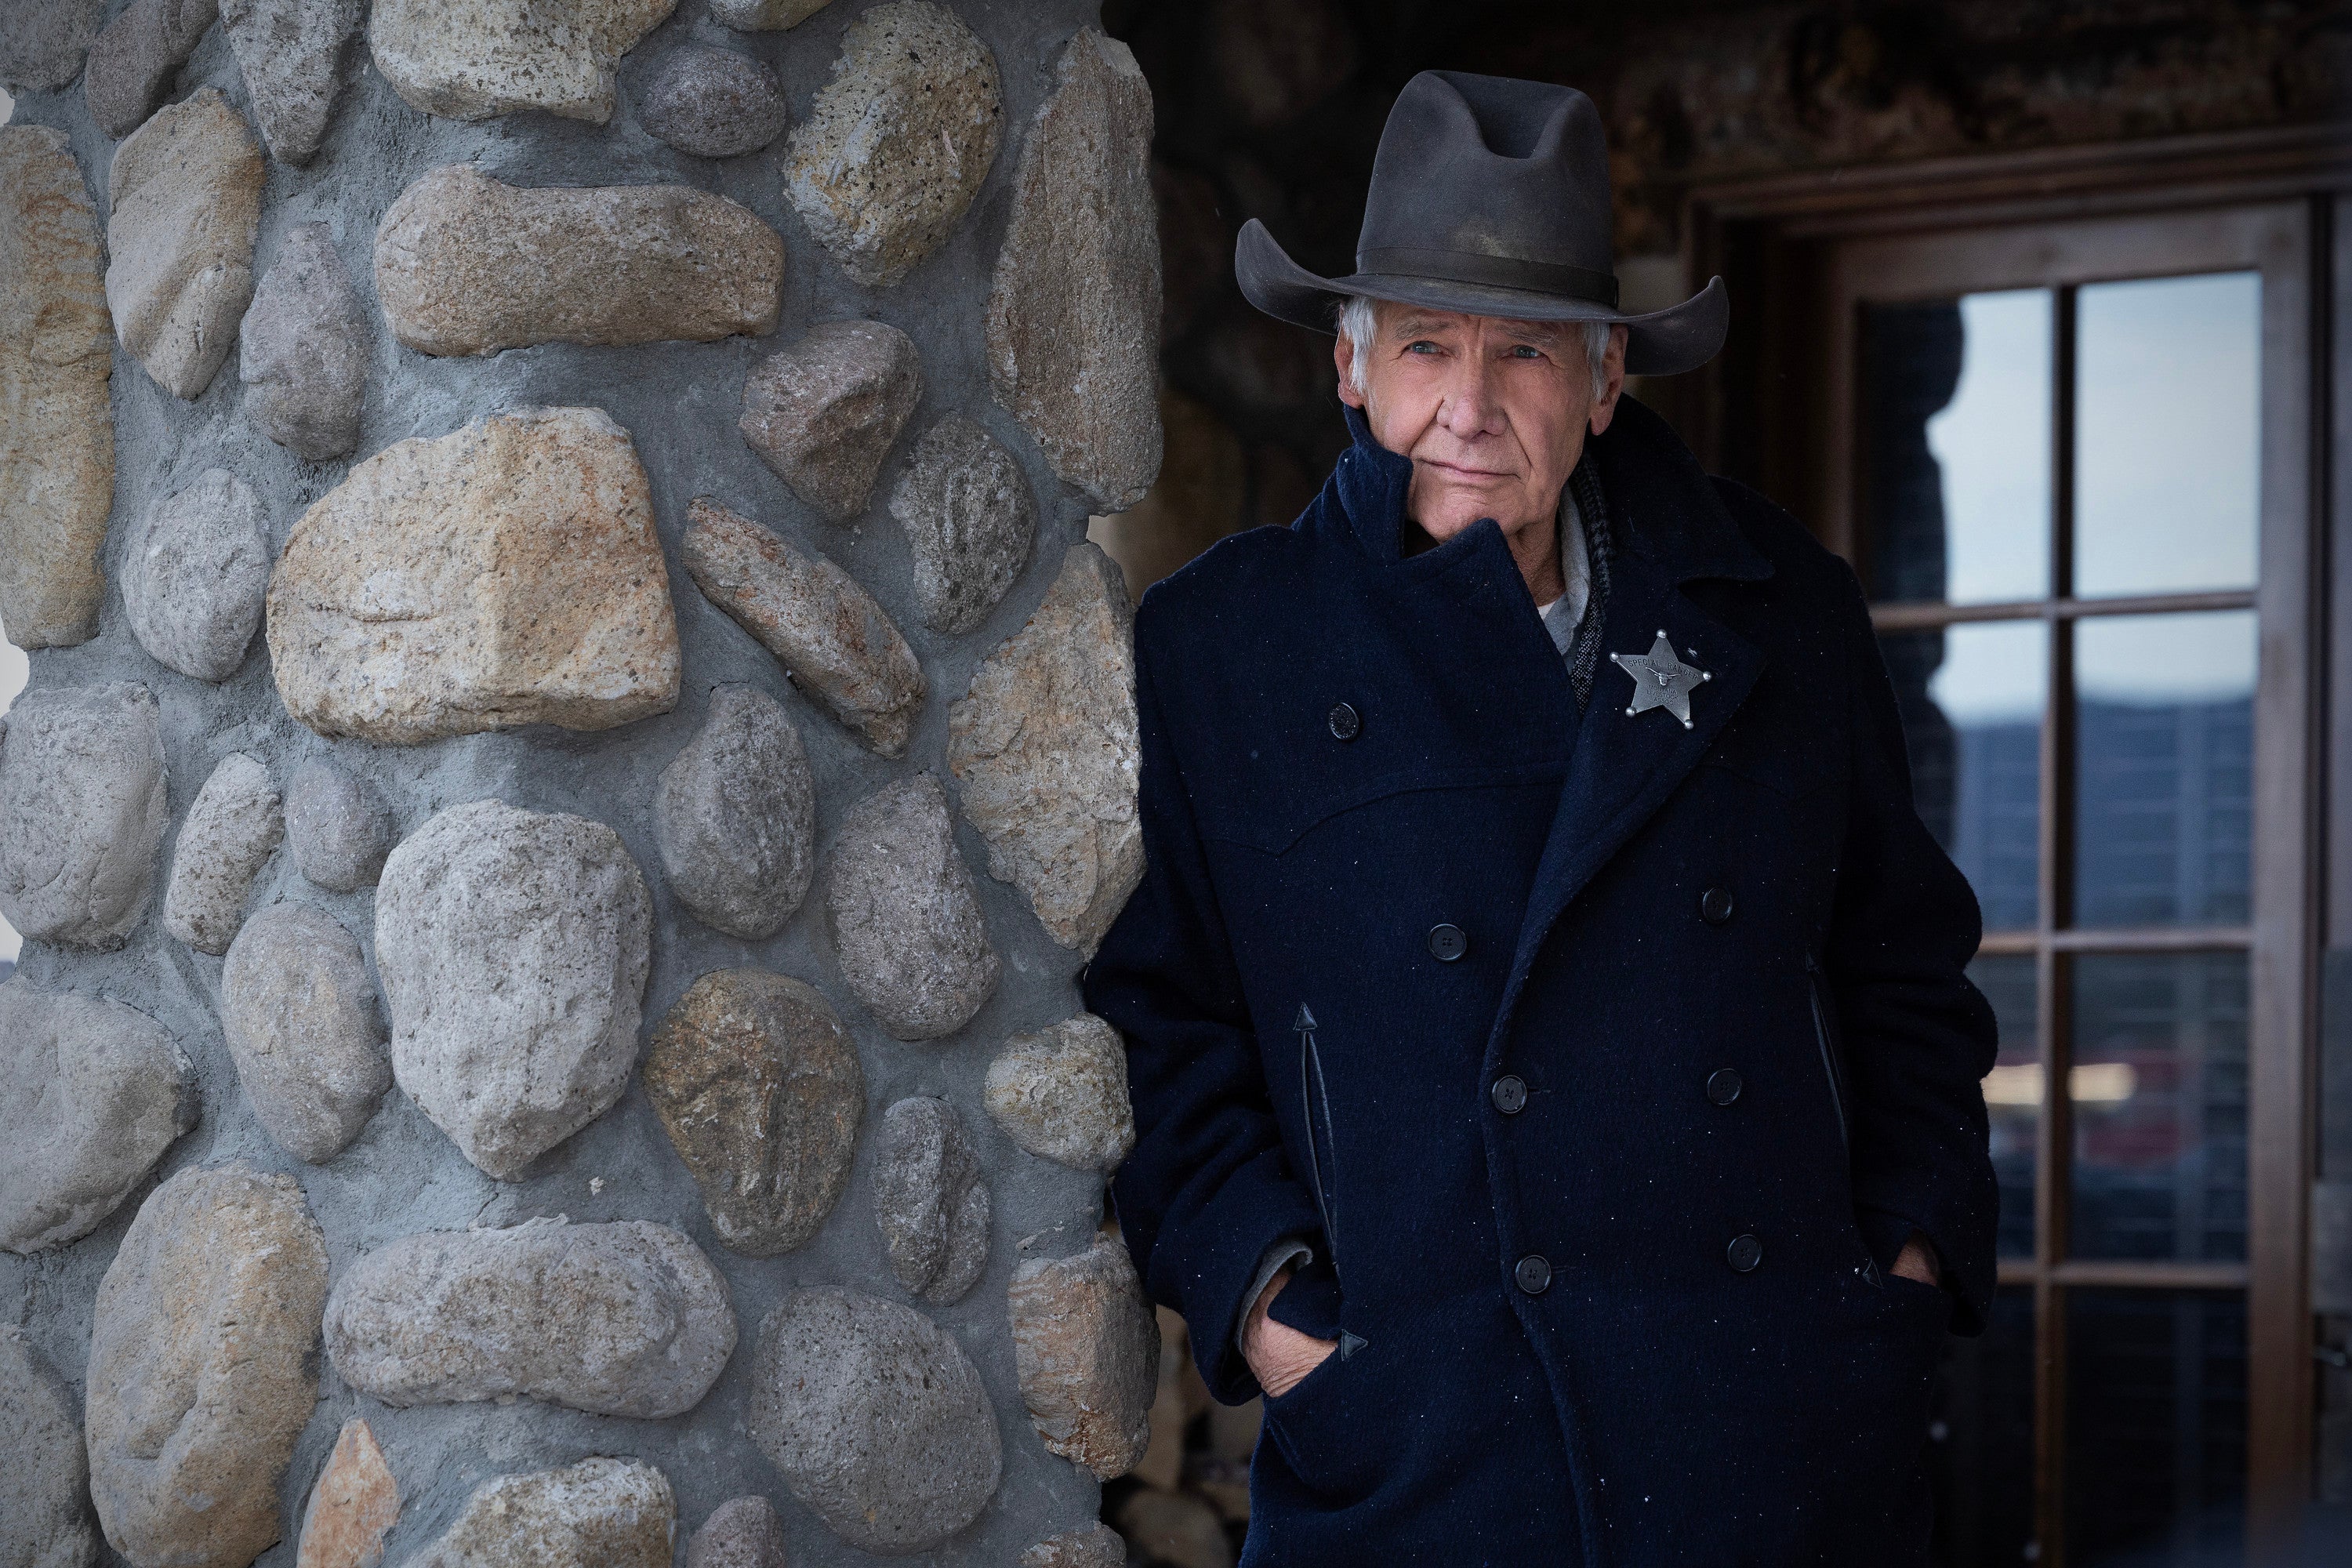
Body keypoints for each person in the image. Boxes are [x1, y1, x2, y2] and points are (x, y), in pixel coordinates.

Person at [1080, 70, 1998, 1566]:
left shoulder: (1781, 610)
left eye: (1525, 352)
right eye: (1427, 346)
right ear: (1351, 367)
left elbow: (1909, 983)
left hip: (1772, 1448)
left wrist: (1900, 1274)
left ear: (1607, 380)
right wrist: (1275, 1316)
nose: (1470, 406)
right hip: (1425, 1459)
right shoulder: (1224, 647)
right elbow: (1161, 1027)